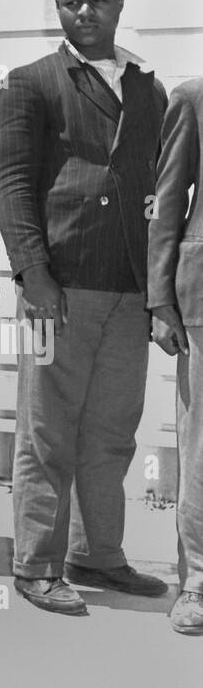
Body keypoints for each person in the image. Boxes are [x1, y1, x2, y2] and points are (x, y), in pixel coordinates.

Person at [0, 0, 168, 615]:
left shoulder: (148, 87)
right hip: (57, 285)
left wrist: (160, 288)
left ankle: (98, 553)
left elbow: (158, 182)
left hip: (128, 287)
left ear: (120, 2)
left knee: (113, 429)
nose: (84, 11)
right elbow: (9, 185)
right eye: (71, 2)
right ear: (57, 6)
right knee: (48, 430)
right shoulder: (30, 83)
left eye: (96, 0)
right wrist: (33, 273)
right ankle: (36, 564)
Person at [147, 76, 203, 636]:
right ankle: (198, 584)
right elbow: (167, 202)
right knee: (202, 443)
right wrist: (161, 301)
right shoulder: (193, 98)